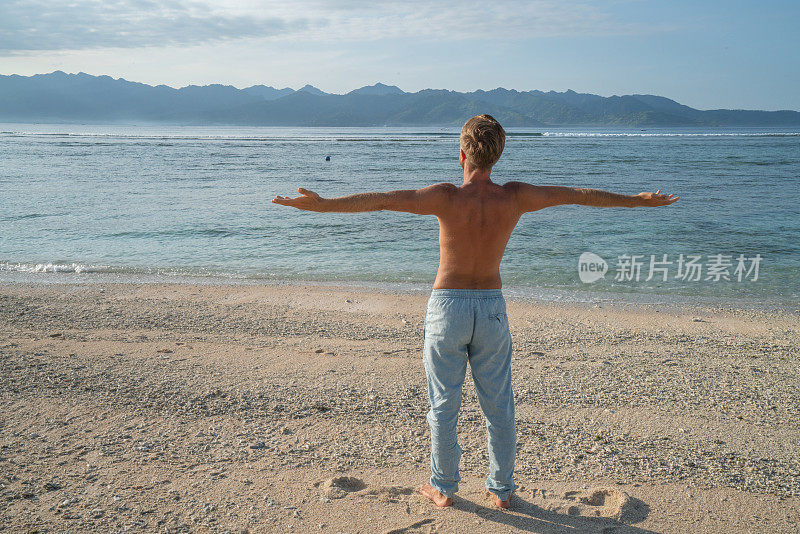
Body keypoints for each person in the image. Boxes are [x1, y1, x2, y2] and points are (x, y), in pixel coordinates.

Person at [271, 114, 679, 509]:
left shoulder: (445, 196)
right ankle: (501, 490)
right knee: (499, 406)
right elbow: (578, 194)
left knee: (443, 405)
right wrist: (637, 202)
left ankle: (443, 487)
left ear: (461, 154)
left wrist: (322, 206)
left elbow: (381, 200)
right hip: (491, 308)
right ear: (497, 156)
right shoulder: (516, 196)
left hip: (447, 306)